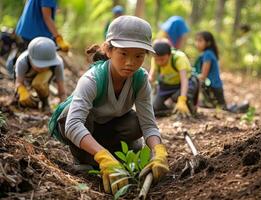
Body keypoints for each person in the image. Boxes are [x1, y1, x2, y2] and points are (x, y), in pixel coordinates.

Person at [52, 16, 169, 194]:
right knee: (69, 115)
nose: (131, 63)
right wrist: (103, 156)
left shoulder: (141, 79)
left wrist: (159, 151)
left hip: (110, 127)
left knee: (136, 122)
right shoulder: (92, 79)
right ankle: (86, 160)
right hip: (84, 128)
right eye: (123, 54)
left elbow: (148, 124)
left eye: (139, 56)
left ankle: (110, 156)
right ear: (108, 50)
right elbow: (73, 124)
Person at [194, 31, 249, 112]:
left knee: (220, 109)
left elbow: (203, 76)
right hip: (216, 88)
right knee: (221, 107)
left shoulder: (208, 54)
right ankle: (235, 107)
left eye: (200, 41)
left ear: (208, 43)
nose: (197, 43)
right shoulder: (208, 53)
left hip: (213, 88)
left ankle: (239, 108)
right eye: (196, 40)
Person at [148, 39, 199, 117]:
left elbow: (184, 80)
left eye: (162, 59)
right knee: (155, 107)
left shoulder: (179, 58)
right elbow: (152, 76)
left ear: (169, 55)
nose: (159, 62)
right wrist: (150, 80)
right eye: (157, 59)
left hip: (184, 84)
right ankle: (172, 111)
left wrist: (182, 99)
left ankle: (190, 108)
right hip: (166, 86)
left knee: (179, 96)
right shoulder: (155, 59)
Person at [15, 37, 66, 110]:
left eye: (46, 65)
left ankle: (44, 101)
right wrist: (21, 90)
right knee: (22, 101)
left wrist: (62, 108)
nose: (43, 68)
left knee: (38, 83)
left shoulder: (57, 64)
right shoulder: (22, 61)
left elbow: (62, 92)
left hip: (43, 80)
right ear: (30, 58)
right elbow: (18, 82)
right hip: (26, 80)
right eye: (40, 65)